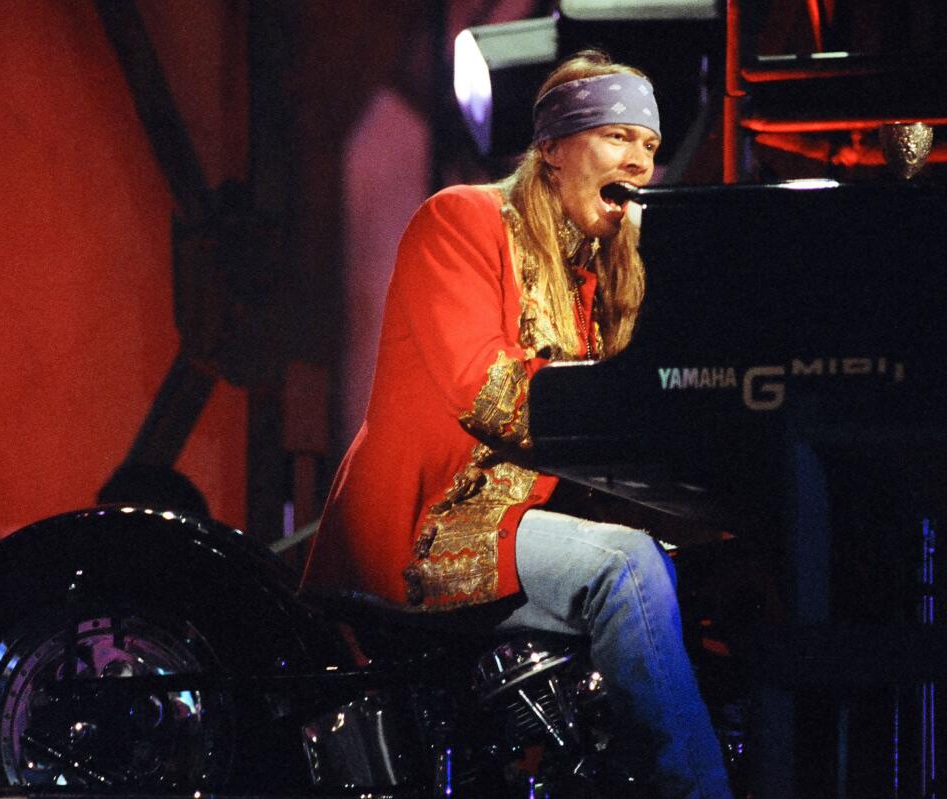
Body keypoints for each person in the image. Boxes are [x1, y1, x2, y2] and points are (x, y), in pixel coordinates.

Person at [302, 50, 733, 798]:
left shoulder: (599, 276)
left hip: (529, 521)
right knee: (624, 565)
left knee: (720, 561)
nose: (639, 162)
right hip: (434, 518)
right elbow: (487, 391)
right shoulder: (460, 219)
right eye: (618, 136)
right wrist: (630, 420)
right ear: (556, 148)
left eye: (651, 146)